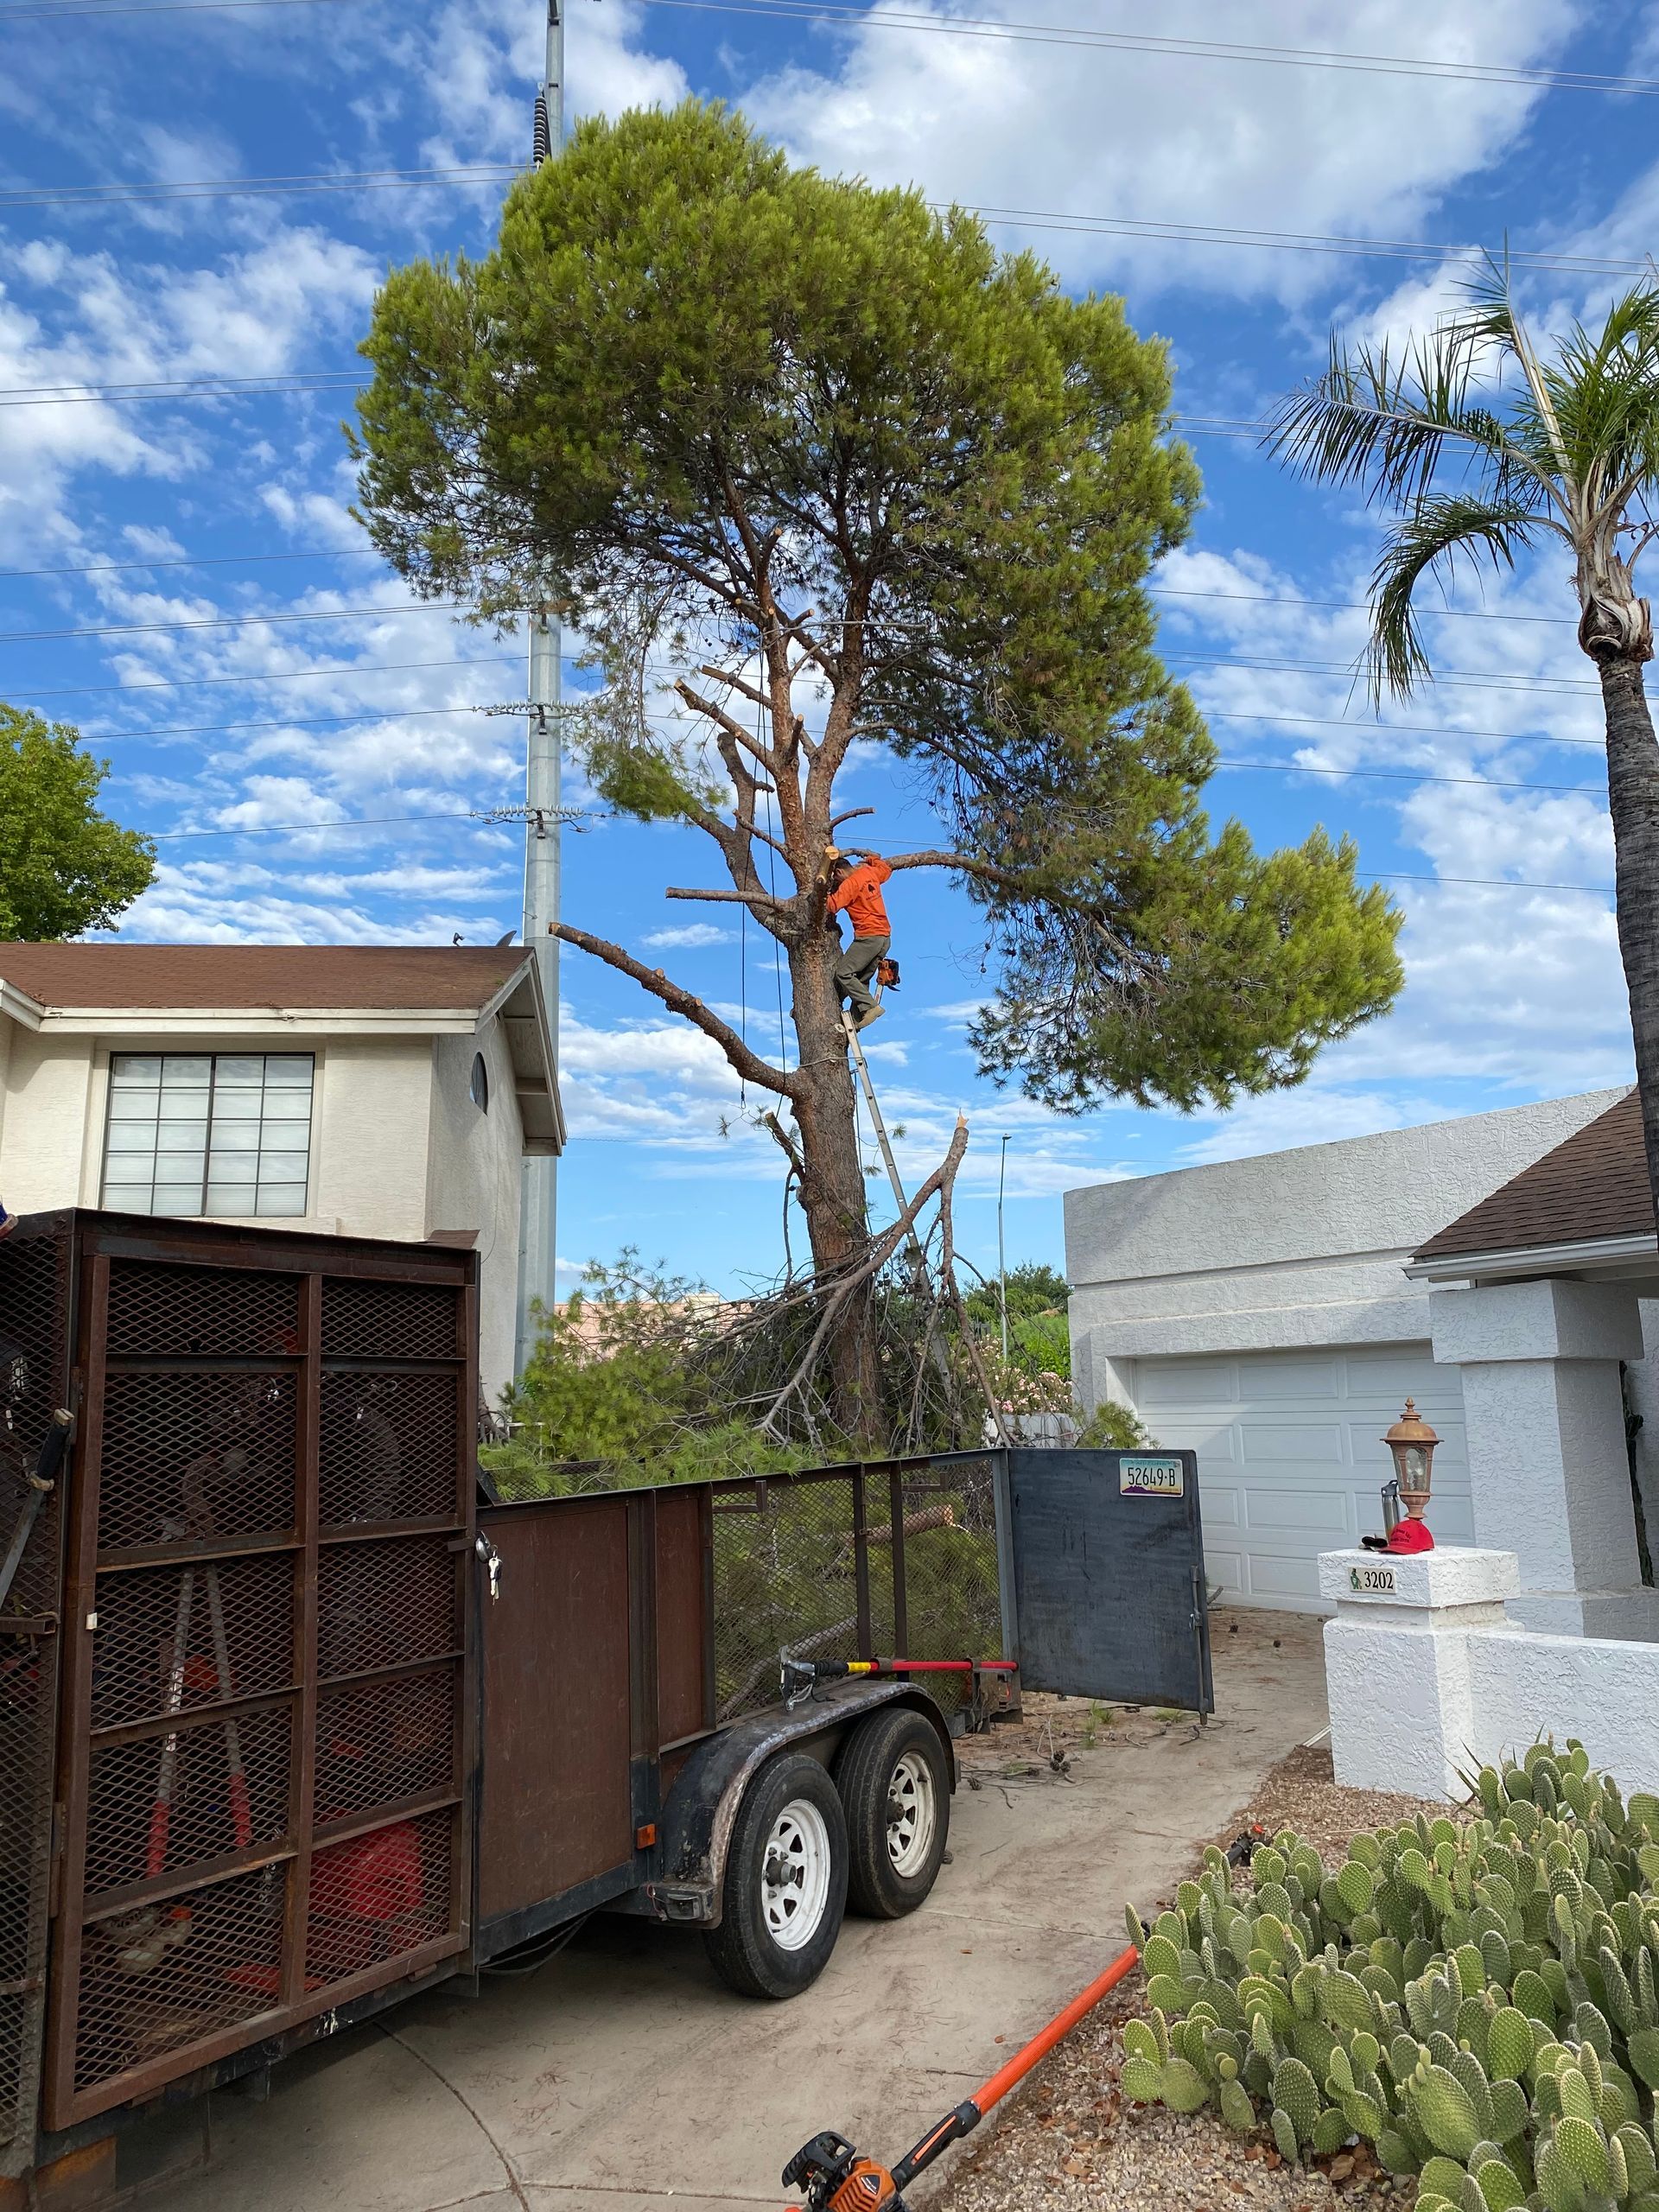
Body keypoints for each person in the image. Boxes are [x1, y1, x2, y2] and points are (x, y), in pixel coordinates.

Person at [823, 844, 893, 1033]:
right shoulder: (869, 872)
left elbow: (832, 905)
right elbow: (885, 870)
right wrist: (872, 859)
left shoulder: (850, 884)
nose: (835, 882)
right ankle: (855, 1021)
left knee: (844, 973)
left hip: (868, 937)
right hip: (884, 938)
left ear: (838, 872)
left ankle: (871, 1007)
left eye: (834, 878)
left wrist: (820, 891)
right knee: (860, 979)